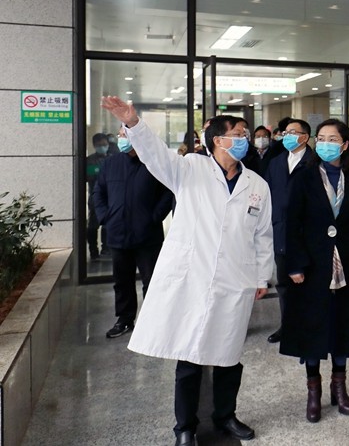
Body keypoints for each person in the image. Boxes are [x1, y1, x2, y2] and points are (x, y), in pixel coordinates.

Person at [100, 96, 275, 446]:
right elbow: (155, 155)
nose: (245, 139)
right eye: (238, 134)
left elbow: (263, 235)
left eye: (245, 134)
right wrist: (133, 123)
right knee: (190, 356)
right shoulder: (191, 168)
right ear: (218, 140)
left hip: (235, 281)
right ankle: (184, 426)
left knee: (229, 356)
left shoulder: (257, 185)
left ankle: (225, 416)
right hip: (193, 280)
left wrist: (262, 277)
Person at [280, 119, 349, 423]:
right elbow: (292, 223)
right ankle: (313, 390)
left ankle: (339, 387)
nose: (325, 143)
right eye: (321, 138)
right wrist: (294, 264)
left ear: (344, 145)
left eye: (333, 139)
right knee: (313, 327)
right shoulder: (303, 177)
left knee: (343, 326)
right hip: (312, 265)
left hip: (345, 263)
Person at [93, 126, 174, 338]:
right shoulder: (110, 164)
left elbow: (168, 192)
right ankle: (125, 320)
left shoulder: (153, 164)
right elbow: (98, 193)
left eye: (125, 135)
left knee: (152, 280)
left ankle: (154, 322)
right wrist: (105, 218)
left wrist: (154, 217)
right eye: (120, 135)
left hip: (147, 235)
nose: (121, 139)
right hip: (117, 233)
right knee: (122, 281)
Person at [263, 119, 314, 345]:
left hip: (308, 234)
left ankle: (311, 326)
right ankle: (288, 326)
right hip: (281, 231)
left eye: (293, 132)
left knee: (309, 283)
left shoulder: (316, 162)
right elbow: (267, 194)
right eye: (286, 132)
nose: (288, 136)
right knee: (284, 284)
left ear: (305, 137)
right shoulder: (276, 162)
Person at [87, 132, 110, 260]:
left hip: (110, 197)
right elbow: (87, 177)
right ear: (94, 145)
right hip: (95, 198)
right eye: (100, 145)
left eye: (104, 144)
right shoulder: (89, 161)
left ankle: (106, 249)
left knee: (108, 224)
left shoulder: (112, 159)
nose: (102, 147)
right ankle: (93, 250)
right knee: (93, 225)